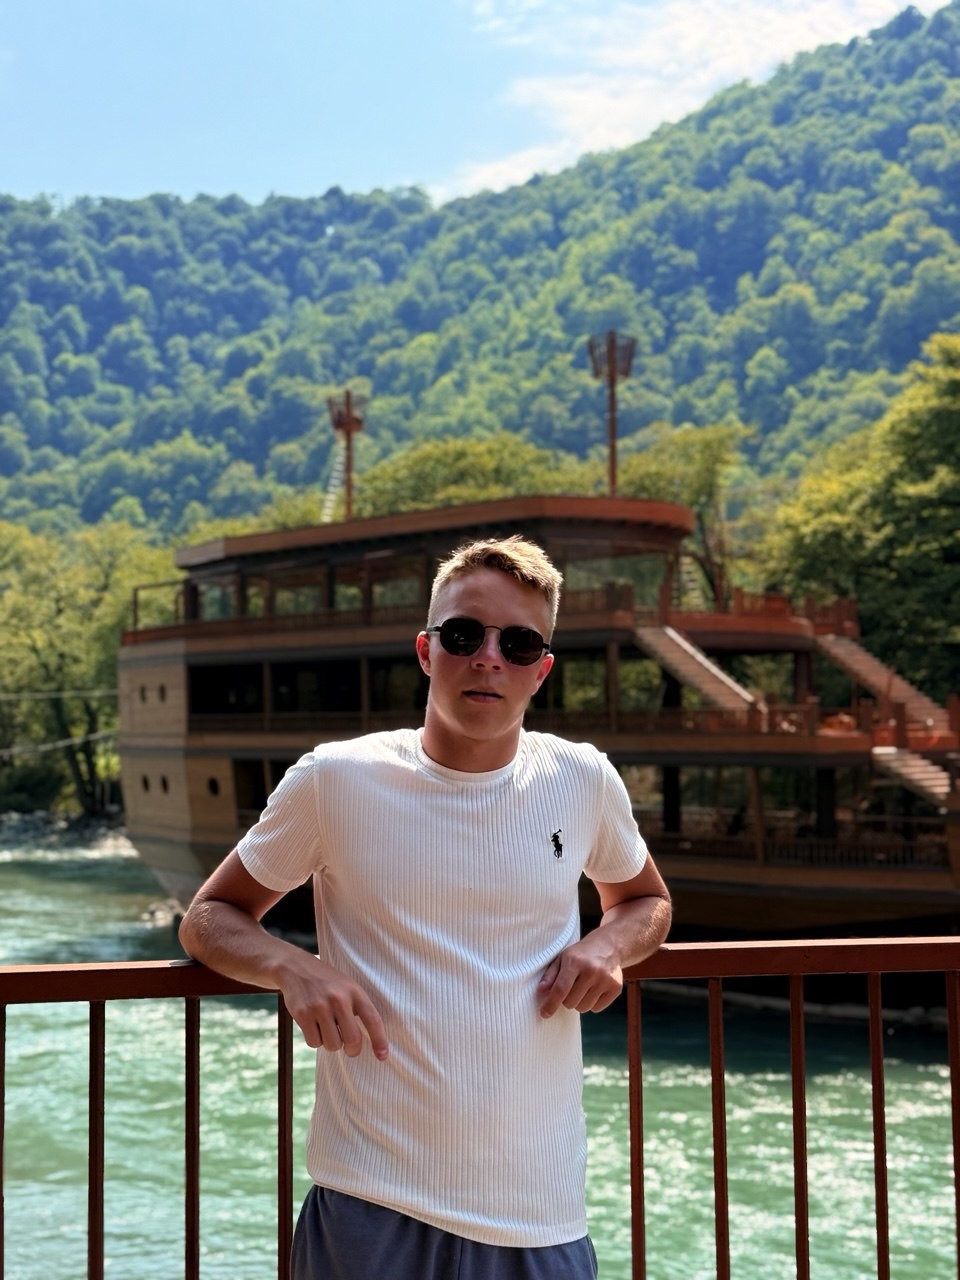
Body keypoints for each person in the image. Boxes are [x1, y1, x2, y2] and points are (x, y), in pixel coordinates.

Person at [178, 534, 671, 1280]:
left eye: (518, 643)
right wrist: (291, 968)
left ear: (541, 669)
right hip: (370, 1205)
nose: (489, 658)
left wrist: (607, 946)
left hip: (540, 1215)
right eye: (465, 635)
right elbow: (209, 917)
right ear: (426, 650)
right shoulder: (335, 779)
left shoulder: (583, 779)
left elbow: (645, 900)